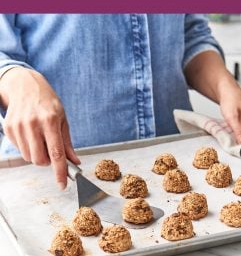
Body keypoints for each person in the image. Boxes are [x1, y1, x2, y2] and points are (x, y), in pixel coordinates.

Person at [0, 14, 241, 189]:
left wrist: (225, 86)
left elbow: (189, 35)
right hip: (51, 172)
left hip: (181, 166)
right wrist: (16, 79)